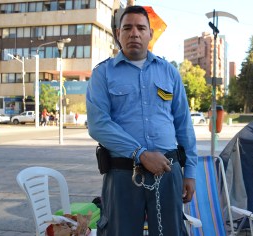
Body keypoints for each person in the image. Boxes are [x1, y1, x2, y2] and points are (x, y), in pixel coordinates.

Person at [86, 6, 197, 236]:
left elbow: (183, 125)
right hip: (123, 174)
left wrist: (190, 173)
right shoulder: (103, 74)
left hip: (168, 174)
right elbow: (98, 124)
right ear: (118, 34)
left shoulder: (169, 72)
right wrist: (142, 154)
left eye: (140, 27)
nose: (134, 33)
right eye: (127, 28)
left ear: (150, 34)